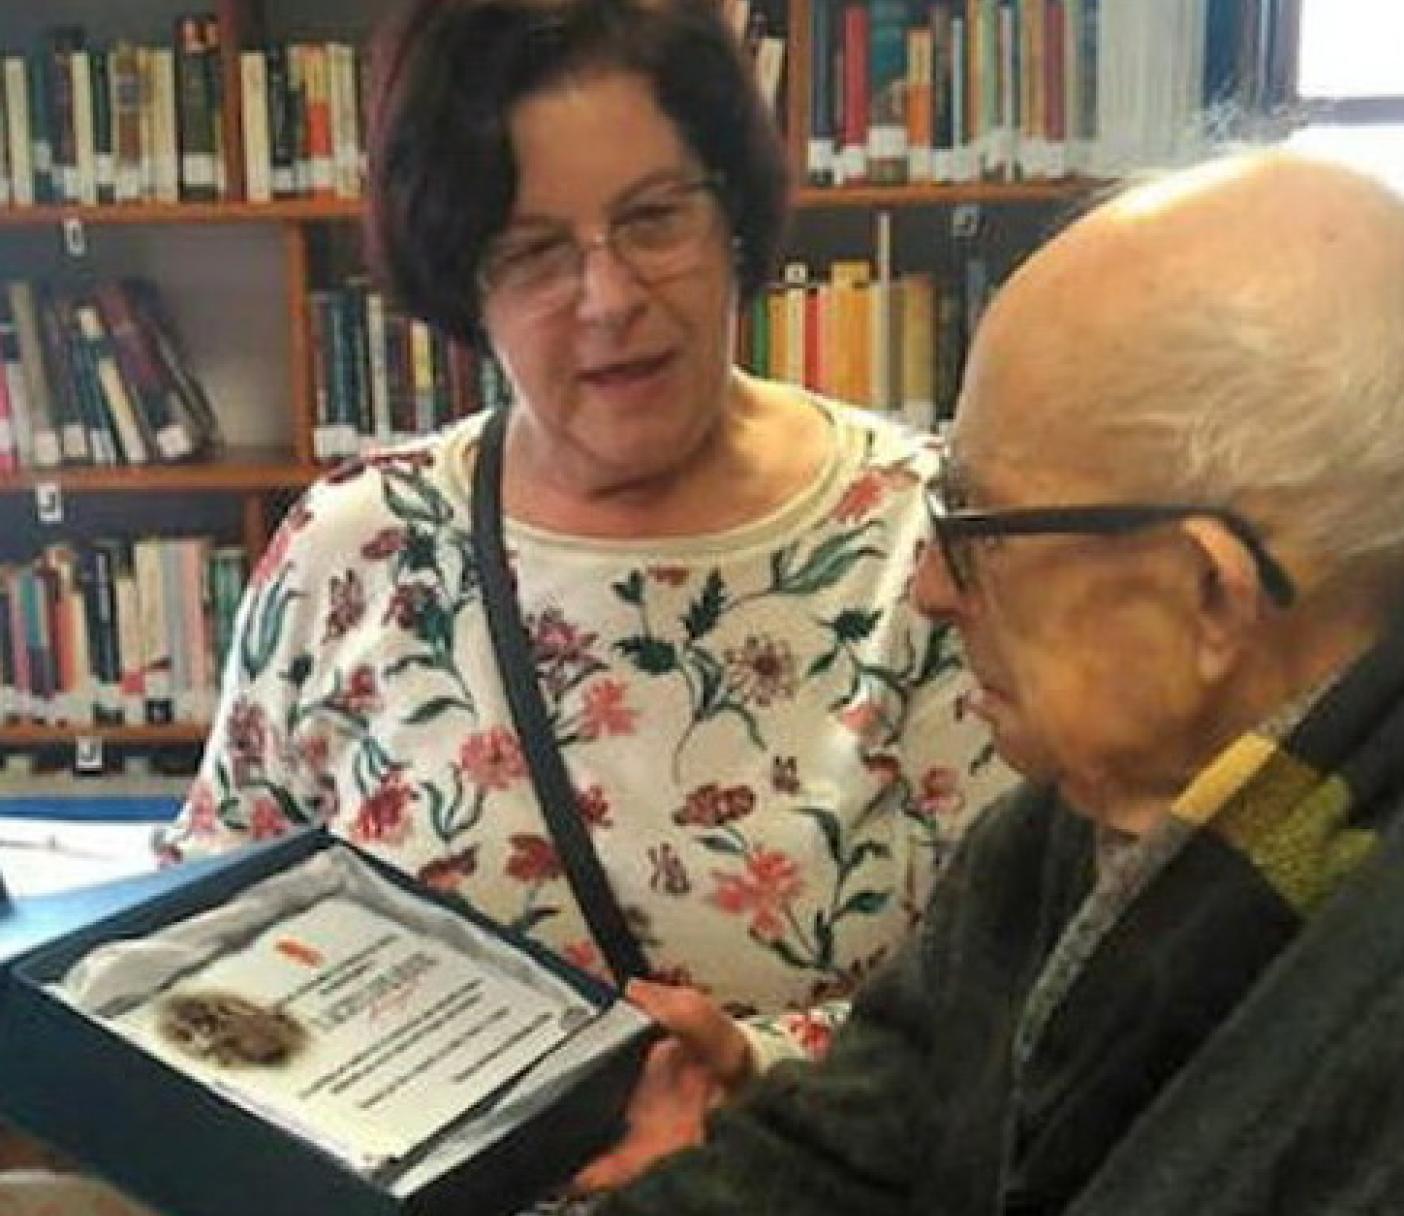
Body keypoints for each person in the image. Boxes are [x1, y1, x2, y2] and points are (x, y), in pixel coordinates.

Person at [579, 151, 1404, 1215]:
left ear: (1207, 597)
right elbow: (844, 1161)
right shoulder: (1105, 825)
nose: (929, 586)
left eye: (976, 525)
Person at [155, 0, 1010, 1073]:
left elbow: (1023, 994)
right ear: (463, 281)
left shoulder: (927, 539)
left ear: (732, 217)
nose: (608, 298)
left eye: (654, 219)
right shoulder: (351, 550)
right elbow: (202, 948)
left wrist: (751, 1073)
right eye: (534, 252)